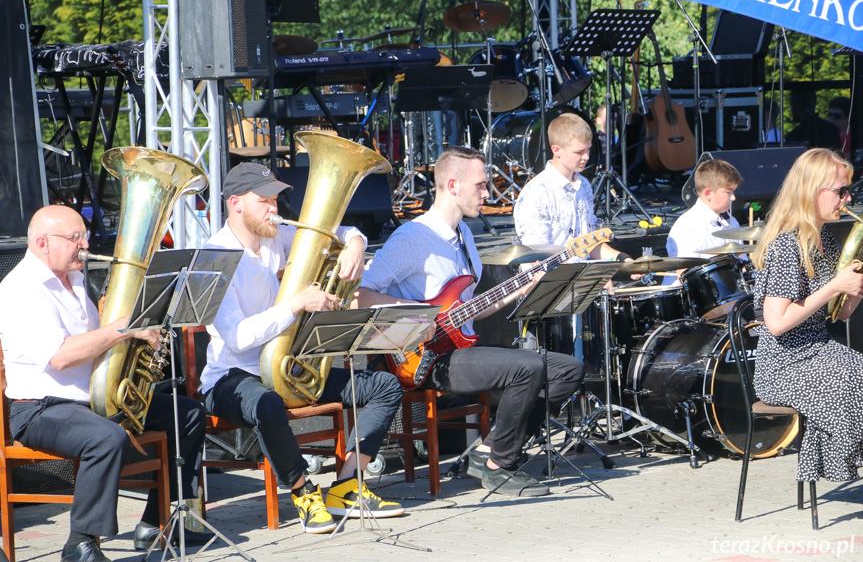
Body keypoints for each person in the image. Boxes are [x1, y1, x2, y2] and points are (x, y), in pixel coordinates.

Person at [355, 146, 584, 497]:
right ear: (452, 185)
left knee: (567, 370)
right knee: (527, 367)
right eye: (480, 185)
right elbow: (361, 293)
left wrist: (517, 291)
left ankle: (486, 452)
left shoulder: (464, 236)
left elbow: (469, 309)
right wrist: (415, 315)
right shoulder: (413, 237)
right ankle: (499, 467)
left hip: (458, 346)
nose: (487, 194)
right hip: (424, 358)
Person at [199, 162, 403, 534]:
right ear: (235, 204)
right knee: (266, 403)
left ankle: (346, 488)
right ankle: (302, 491)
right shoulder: (215, 257)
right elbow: (239, 337)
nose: (274, 209)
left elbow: (339, 232)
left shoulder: (276, 235)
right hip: (231, 375)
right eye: (264, 201)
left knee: (385, 386)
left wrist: (356, 243)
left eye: (275, 200)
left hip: (285, 367)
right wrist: (295, 304)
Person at [0, 205, 209, 562]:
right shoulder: (21, 288)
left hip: (90, 400)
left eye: (85, 235)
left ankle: (157, 520)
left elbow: (99, 342)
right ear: (42, 243)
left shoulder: (76, 278)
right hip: (40, 408)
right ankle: (80, 543)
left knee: (186, 413)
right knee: (105, 437)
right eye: (75, 237)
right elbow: (61, 356)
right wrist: (124, 327)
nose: (85, 244)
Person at [751, 148, 863, 483]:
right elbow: (776, 322)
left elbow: (838, 315)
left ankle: (838, 463)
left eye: (848, 191)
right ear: (811, 191)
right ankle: (838, 463)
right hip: (783, 365)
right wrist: (833, 287)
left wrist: (853, 291)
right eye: (840, 191)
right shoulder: (788, 245)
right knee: (852, 381)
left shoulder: (824, 238)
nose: (846, 199)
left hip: (818, 351)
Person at [513, 112, 632, 262]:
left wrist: (624, 260)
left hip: (584, 277)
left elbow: (590, 243)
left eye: (588, 150)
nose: (587, 157)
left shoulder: (585, 186)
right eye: (579, 152)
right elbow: (536, 257)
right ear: (556, 150)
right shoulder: (536, 192)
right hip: (554, 280)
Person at [662, 159, 744, 284]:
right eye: (728, 192)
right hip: (693, 297)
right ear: (708, 193)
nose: (733, 197)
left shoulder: (732, 221)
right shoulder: (686, 226)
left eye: (733, 192)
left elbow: (742, 263)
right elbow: (684, 275)